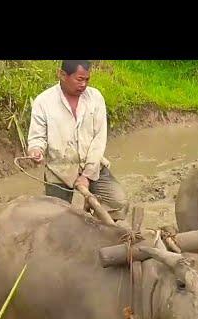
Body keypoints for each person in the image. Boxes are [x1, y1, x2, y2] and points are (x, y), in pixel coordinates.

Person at [27, 60, 129, 221]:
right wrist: (36, 150)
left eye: (87, 80)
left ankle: (99, 231)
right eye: (79, 79)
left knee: (117, 201)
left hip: (93, 165)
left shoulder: (95, 98)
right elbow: (37, 137)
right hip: (60, 169)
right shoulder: (44, 102)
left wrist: (87, 175)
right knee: (56, 219)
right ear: (62, 75)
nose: (84, 84)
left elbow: (98, 139)